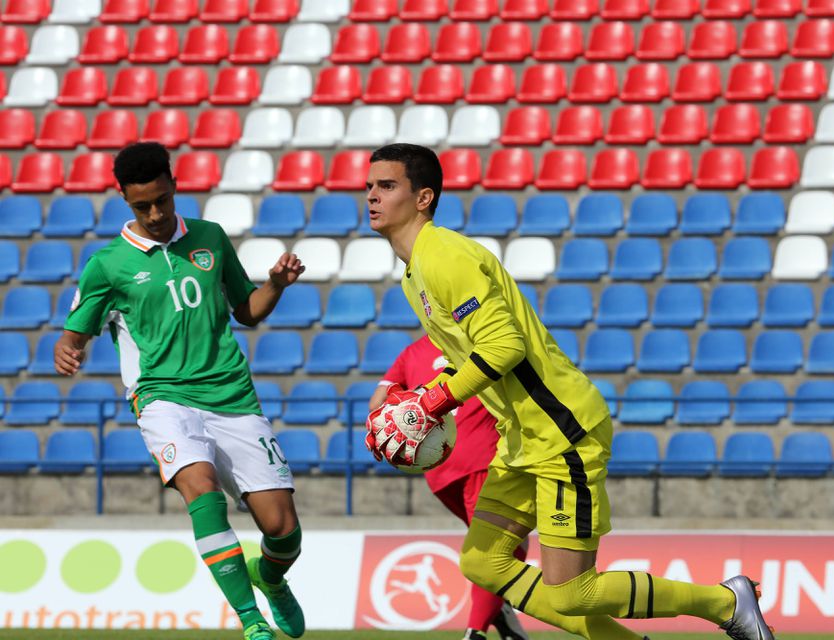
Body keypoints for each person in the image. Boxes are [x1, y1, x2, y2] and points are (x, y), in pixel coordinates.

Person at [363, 143, 775, 640]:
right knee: (483, 562)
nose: (371, 196)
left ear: (424, 197)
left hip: (561, 431)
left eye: (386, 186)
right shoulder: (415, 273)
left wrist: (430, 402)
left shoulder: (446, 256)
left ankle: (725, 601)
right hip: (521, 438)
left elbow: (504, 346)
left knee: (572, 591)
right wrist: (411, 400)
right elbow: (468, 353)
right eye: (370, 186)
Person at [54, 142, 306, 640]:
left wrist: (275, 284)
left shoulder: (210, 237)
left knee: (283, 531)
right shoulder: (108, 265)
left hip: (232, 396)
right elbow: (74, 332)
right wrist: (68, 349)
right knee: (201, 490)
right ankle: (250, 620)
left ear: (174, 187)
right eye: (141, 206)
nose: (154, 213)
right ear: (125, 200)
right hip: (162, 396)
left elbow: (246, 311)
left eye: (162, 200)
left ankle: (271, 580)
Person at [369, 335, 529, 640]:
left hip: (437, 469)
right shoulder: (479, 339)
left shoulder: (411, 351)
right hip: (481, 457)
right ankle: (476, 631)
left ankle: (500, 613)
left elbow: (377, 404)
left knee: (489, 544)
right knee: (506, 546)